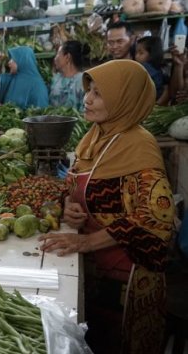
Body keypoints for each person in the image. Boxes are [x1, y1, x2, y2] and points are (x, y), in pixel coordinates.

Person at [39, 60, 175, 354]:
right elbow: (77, 185)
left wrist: (86, 241)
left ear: (124, 99)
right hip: (94, 269)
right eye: (89, 91)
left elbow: (155, 217)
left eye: (98, 94)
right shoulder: (95, 137)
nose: (87, 99)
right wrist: (69, 204)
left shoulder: (138, 145)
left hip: (126, 276)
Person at [49, 40, 87, 111]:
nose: (55, 58)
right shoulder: (56, 79)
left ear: (67, 57)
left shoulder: (83, 80)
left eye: (58, 54)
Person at [135, 36, 166, 102]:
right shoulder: (158, 68)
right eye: (136, 52)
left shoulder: (145, 68)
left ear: (152, 54)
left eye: (141, 53)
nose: (136, 56)